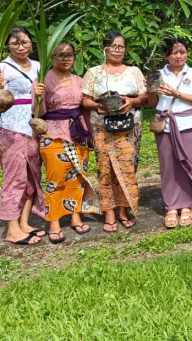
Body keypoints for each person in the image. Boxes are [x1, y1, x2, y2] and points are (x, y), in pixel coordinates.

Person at [81, 32, 147, 232]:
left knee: (127, 170)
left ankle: (123, 209)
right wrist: (97, 107)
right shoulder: (93, 73)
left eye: (121, 46)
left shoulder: (134, 71)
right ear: (104, 48)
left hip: (130, 128)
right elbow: (85, 100)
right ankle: (109, 211)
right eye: (113, 46)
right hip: (103, 127)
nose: (117, 50)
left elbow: (145, 97)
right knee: (105, 169)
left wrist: (132, 101)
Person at [36, 42, 98, 243]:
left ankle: (75, 215)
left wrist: (90, 135)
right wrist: (37, 95)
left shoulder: (79, 80)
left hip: (78, 132)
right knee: (56, 178)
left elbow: (85, 109)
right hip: (53, 132)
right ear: (51, 57)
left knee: (77, 176)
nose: (65, 58)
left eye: (69, 54)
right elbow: (39, 111)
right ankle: (53, 220)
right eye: (60, 55)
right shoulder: (43, 80)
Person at [0, 27, 46, 245]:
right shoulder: (0, 68)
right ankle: (12, 229)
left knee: (33, 175)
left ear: (32, 43)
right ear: (8, 46)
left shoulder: (40, 67)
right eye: (15, 43)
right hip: (11, 128)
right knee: (14, 176)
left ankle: (24, 223)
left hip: (33, 125)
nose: (21, 47)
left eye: (25, 42)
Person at [147, 37, 192, 228]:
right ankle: (171, 206)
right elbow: (152, 104)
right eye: (174, 52)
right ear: (166, 55)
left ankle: (187, 205)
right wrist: (152, 89)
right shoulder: (158, 74)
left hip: (188, 123)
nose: (179, 56)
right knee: (168, 166)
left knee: (189, 164)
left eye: (182, 52)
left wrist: (176, 93)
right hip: (164, 124)